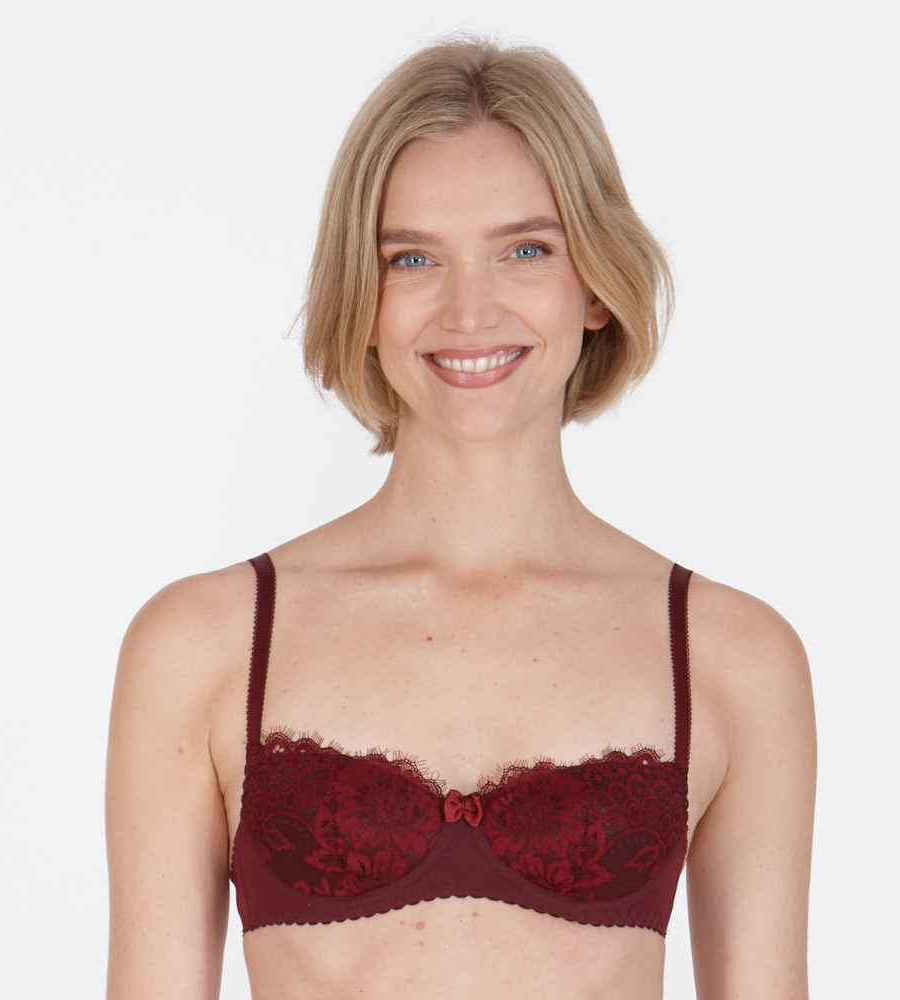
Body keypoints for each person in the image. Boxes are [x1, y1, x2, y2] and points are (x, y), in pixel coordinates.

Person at [106, 36, 816, 1000]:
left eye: (526, 250)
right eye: (413, 259)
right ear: (362, 300)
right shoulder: (203, 647)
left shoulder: (734, 660)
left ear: (595, 285)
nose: (469, 311)